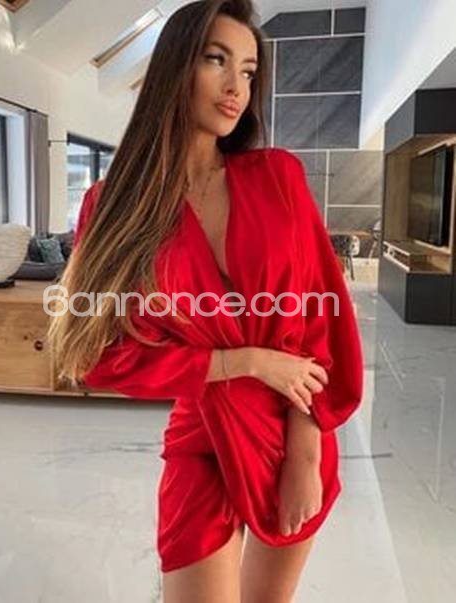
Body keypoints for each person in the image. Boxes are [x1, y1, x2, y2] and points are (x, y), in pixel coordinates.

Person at [48, 1, 364, 601]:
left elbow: (320, 326)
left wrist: (304, 456)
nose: (236, 87)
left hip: (292, 429)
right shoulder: (113, 206)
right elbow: (93, 353)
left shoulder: (278, 178)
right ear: (175, 67)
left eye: (248, 70)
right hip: (203, 434)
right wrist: (246, 361)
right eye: (217, 60)